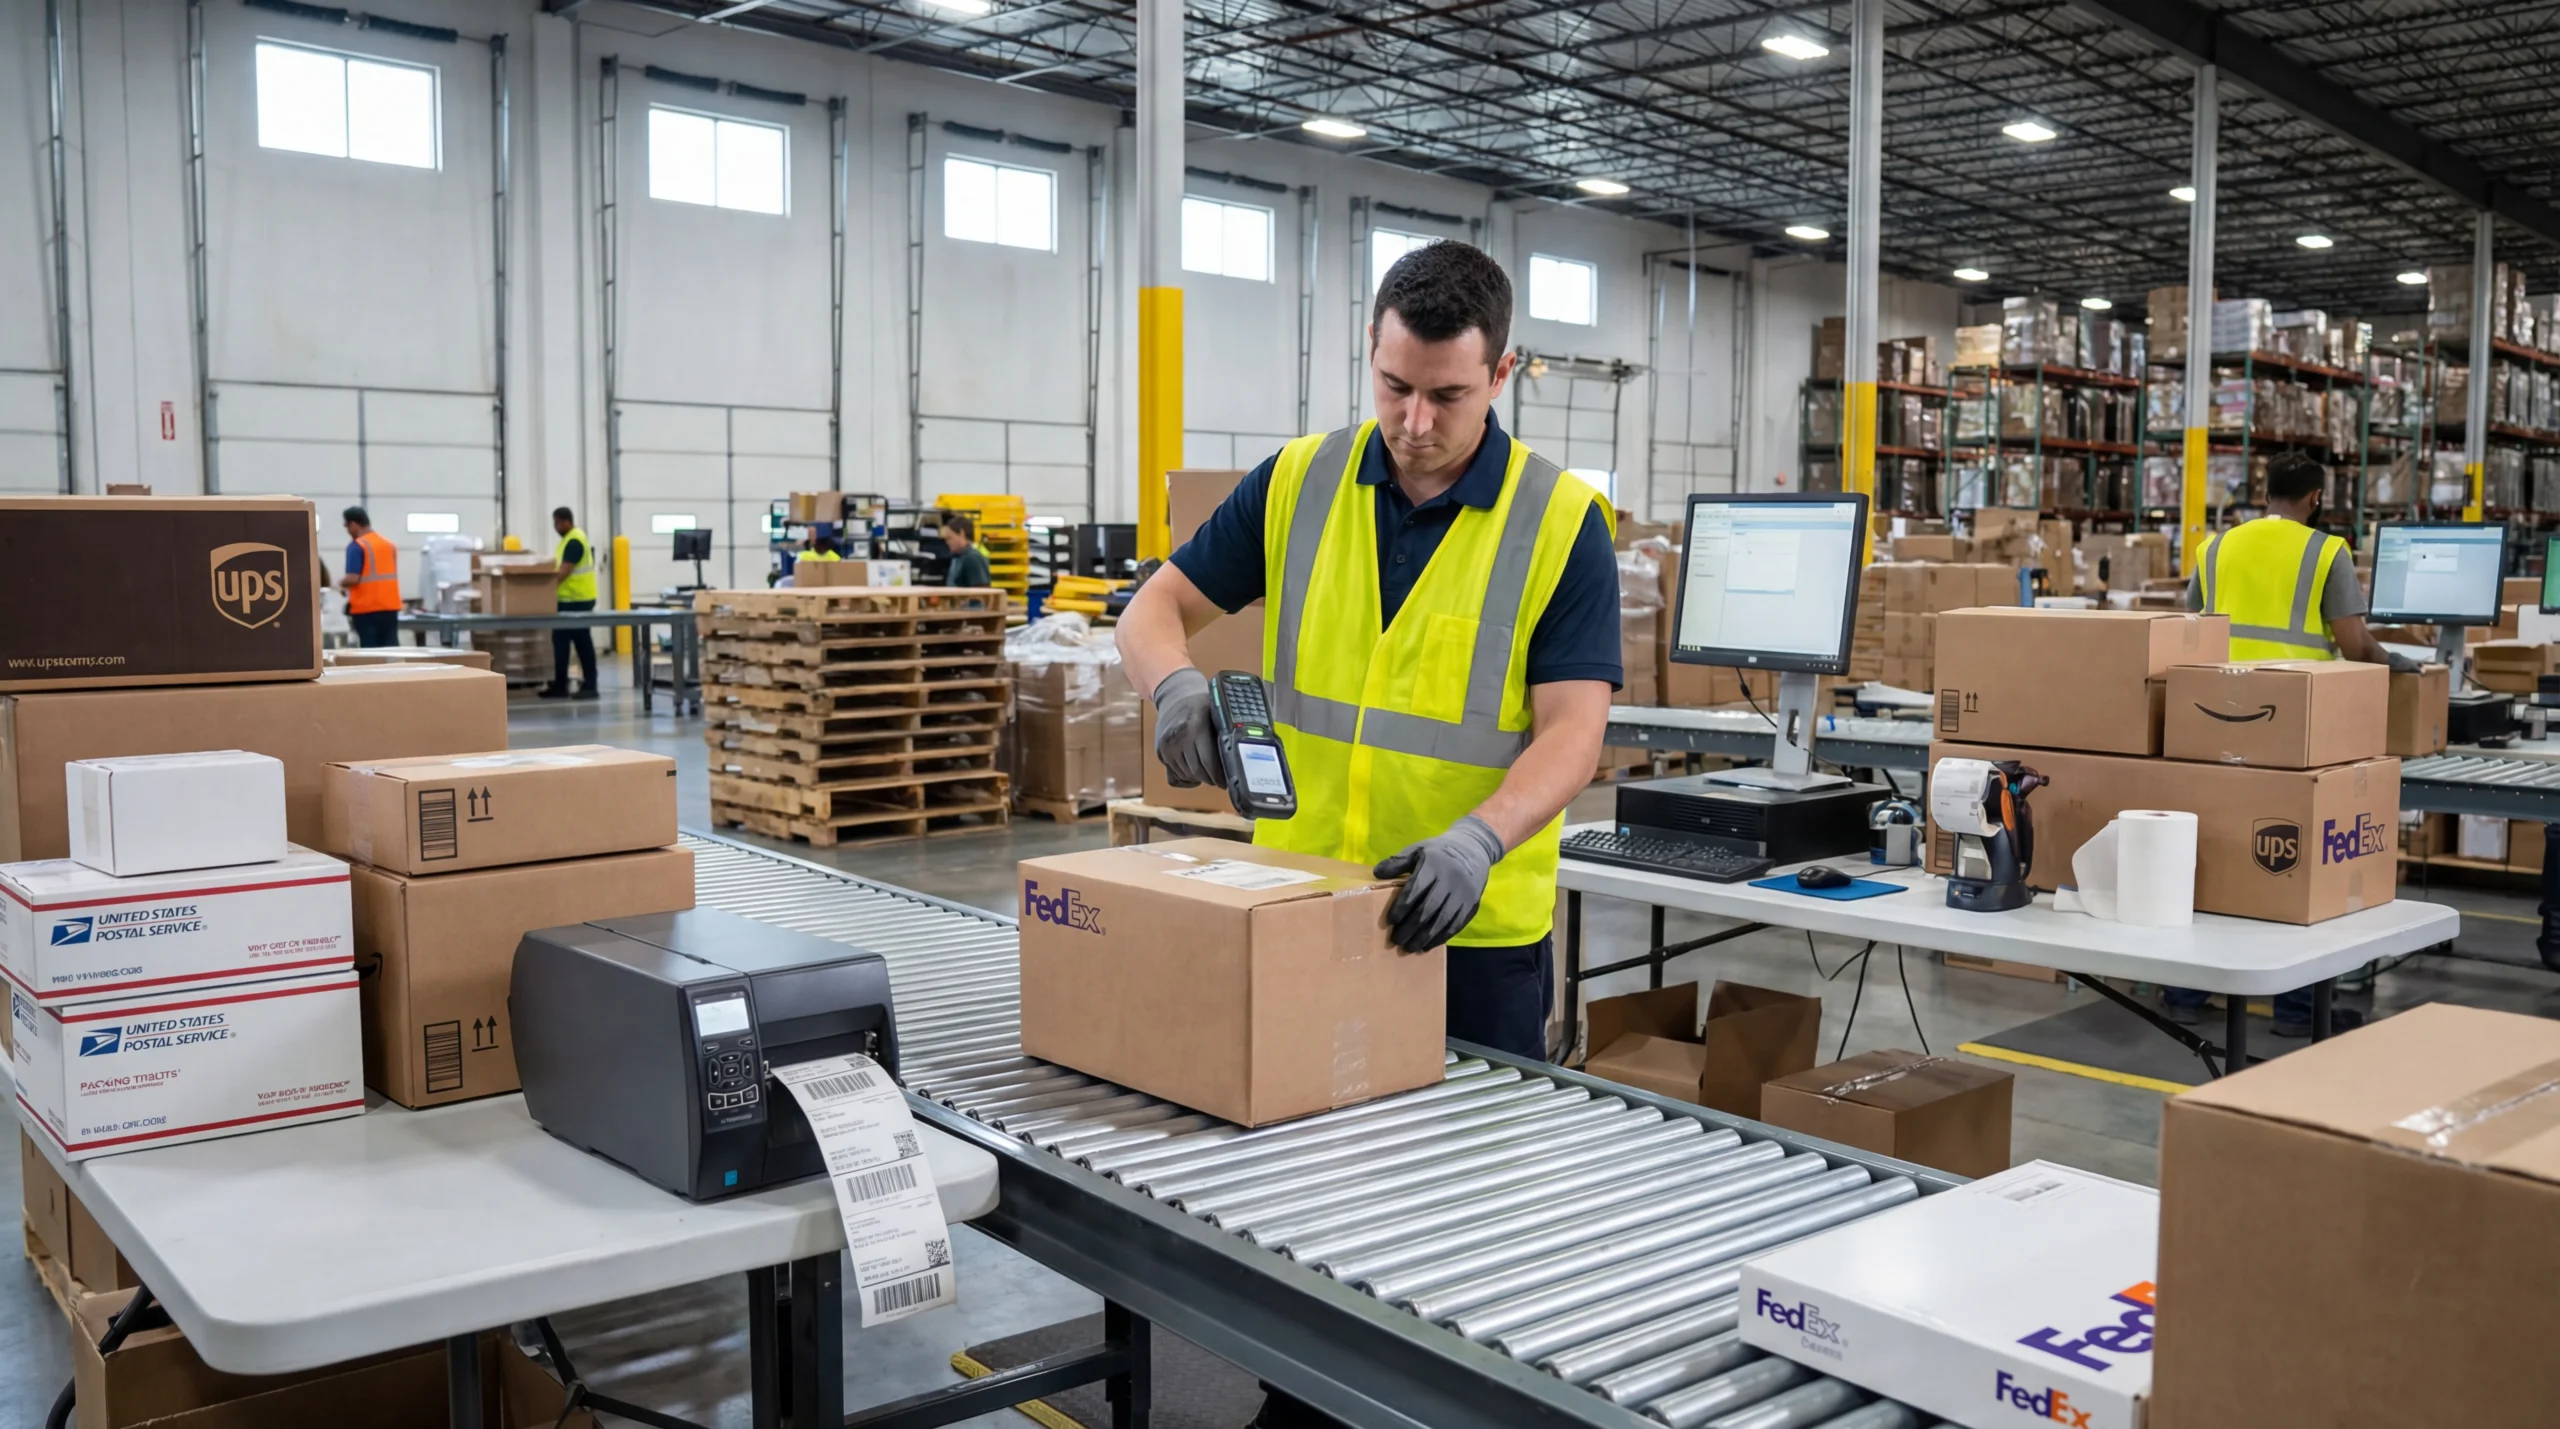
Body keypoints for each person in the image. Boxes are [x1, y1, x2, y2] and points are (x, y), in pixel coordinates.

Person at [1121, 240, 1619, 1429]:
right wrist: (1171, 685)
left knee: (1463, 1232)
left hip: (1471, 936)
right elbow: (1156, 606)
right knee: (1302, 1210)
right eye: (1393, 385)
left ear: (1502, 373)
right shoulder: (1299, 481)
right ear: (1371, 353)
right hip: (1308, 915)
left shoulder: (1562, 524)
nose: (1413, 419)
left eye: (1446, 394)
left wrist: (1479, 839)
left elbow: (1572, 733)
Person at [2169, 450, 2409, 1037]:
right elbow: (2355, 646)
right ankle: (2297, 1011)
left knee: (2211, 854)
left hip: (2208, 720)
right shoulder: (2327, 551)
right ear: (2316, 498)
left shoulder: (2216, 547)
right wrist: (2402, 666)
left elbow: (2185, 630)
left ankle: (2183, 991)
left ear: (2264, 490)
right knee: (2293, 868)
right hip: (2292, 727)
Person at [539, 506, 601, 701]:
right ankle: (560, 684)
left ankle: (591, 686)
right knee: (560, 643)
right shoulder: (569, 539)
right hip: (568, 601)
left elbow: (565, 571)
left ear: (565, 521)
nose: (555, 527)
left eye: (556, 523)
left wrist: (544, 590)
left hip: (578, 601)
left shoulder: (574, 540)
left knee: (582, 643)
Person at [338, 506, 402, 647]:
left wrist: (340, 584)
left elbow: (353, 578)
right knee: (390, 650)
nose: (347, 531)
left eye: (346, 526)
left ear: (353, 524)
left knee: (371, 654)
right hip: (390, 607)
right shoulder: (388, 545)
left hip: (366, 610)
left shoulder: (356, 546)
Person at [942, 514, 992, 588]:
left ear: (962, 534)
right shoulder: (958, 557)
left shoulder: (973, 558)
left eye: (950, 538)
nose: (947, 542)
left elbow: (981, 592)